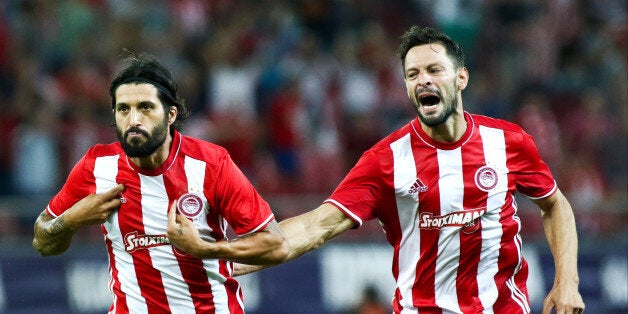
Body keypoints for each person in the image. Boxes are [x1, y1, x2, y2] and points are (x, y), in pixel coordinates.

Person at [225, 26, 584, 313]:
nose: (423, 80)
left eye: (433, 70)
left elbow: (556, 205)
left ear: (461, 79)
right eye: (412, 74)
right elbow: (317, 226)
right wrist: (225, 258)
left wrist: (566, 280)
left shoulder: (508, 142)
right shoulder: (385, 160)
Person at [32, 52, 289, 314]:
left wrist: (204, 249)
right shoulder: (96, 166)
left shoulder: (211, 165)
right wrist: (72, 219)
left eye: (145, 107)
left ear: (170, 114)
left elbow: (276, 245)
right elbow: (42, 241)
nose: (133, 120)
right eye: (124, 109)